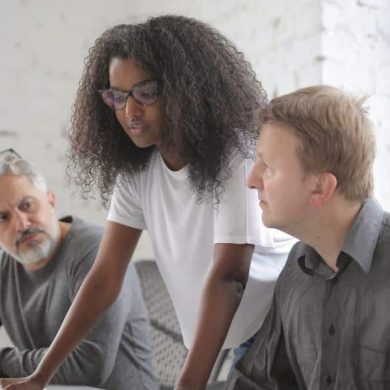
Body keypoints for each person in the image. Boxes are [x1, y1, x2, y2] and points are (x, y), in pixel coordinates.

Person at [1, 15, 295, 390]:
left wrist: (187, 384)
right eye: (118, 97)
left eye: (145, 92)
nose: (130, 112)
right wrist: (39, 377)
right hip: (229, 344)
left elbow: (230, 277)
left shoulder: (235, 158)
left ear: (186, 89)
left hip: (277, 330)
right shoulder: (137, 172)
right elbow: (106, 277)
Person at [224, 85, 390, 389]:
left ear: (320, 188)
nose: (251, 180)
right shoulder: (296, 268)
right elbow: (259, 381)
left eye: (269, 167)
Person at [0, 149, 158, 390]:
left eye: (27, 205)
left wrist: (3, 361)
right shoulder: (4, 268)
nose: (21, 224)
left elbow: (88, 367)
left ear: (51, 201)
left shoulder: (97, 252)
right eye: (3, 218)